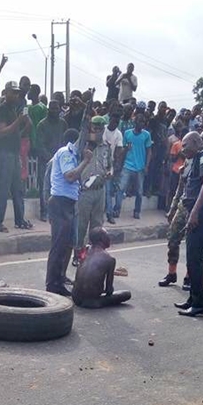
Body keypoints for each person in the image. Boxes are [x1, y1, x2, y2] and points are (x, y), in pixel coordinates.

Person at [174, 131, 203, 317]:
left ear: (195, 142)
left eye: (185, 145)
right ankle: (193, 298)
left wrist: (194, 212)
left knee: (195, 259)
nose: (183, 149)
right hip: (200, 211)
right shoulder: (195, 160)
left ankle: (200, 304)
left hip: (202, 212)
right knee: (192, 258)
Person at [45, 129, 93, 296]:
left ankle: (59, 278)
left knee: (67, 244)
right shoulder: (66, 153)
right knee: (59, 246)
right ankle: (52, 284)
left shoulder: (73, 156)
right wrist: (86, 161)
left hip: (68, 203)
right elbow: (69, 176)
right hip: (60, 203)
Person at [0, 81, 32, 232]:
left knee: (17, 188)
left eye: (17, 93)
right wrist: (18, 121)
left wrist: (26, 122)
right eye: (13, 92)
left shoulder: (14, 109)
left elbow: (21, 129)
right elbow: (1, 132)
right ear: (6, 92)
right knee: (3, 189)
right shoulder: (2, 110)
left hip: (14, 152)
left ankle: (20, 220)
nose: (16, 95)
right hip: (5, 152)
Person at [75, 116, 111, 259]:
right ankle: (77, 253)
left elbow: (109, 165)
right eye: (95, 128)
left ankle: (93, 254)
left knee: (97, 226)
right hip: (85, 190)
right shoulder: (83, 144)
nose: (98, 131)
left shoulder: (106, 146)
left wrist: (109, 172)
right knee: (81, 225)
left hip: (100, 189)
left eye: (101, 128)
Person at [72, 227, 131, 308]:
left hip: (75, 298)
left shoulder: (86, 249)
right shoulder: (110, 259)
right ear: (102, 239)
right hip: (92, 301)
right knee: (127, 294)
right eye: (107, 236)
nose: (109, 238)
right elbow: (109, 290)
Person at [158, 157, 193, 290]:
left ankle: (189, 276)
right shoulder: (187, 163)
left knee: (192, 244)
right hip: (183, 206)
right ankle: (171, 273)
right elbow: (180, 189)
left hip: (196, 208)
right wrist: (172, 209)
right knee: (173, 239)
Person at [114, 113, 152, 219]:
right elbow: (123, 149)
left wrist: (146, 165)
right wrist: (120, 162)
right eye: (139, 121)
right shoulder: (127, 133)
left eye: (143, 122)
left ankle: (137, 211)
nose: (141, 124)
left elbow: (149, 151)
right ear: (135, 122)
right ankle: (116, 209)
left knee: (139, 192)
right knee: (121, 188)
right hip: (128, 165)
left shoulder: (146, 135)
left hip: (140, 167)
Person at [36, 100, 68, 221]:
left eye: (56, 109)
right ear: (48, 110)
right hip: (45, 161)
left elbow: (66, 141)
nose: (54, 111)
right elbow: (40, 145)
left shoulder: (63, 123)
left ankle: (58, 212)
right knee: (44, 186)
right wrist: (51, 158)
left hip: (61, 161)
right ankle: (44, 212)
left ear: (60, 110)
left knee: (59, 186)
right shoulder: (42, 124)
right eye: (52, 109)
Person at [103, 113, 123, 224]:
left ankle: (109, 214)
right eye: (113, 121)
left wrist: (115, 166)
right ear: (109, 119)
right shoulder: (103, 129)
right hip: (98, 162)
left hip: (109, 164)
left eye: (117, 122)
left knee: (108, 191)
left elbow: (118, 150)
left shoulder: (118, 134)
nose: (115, 124)